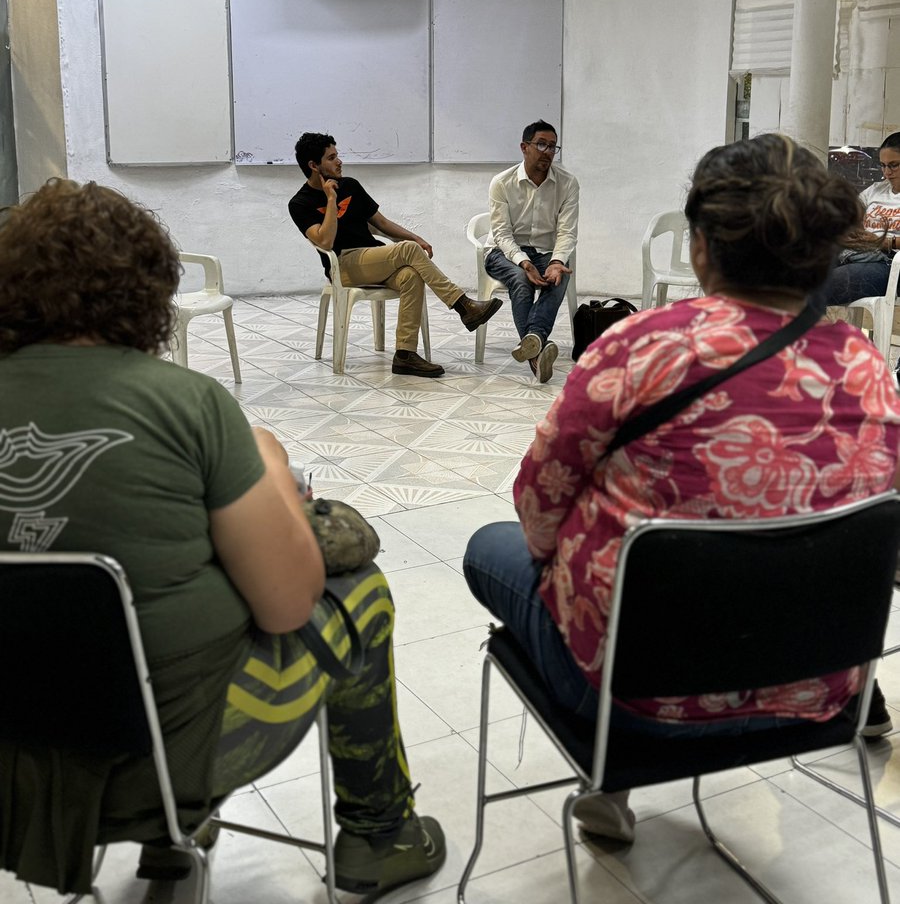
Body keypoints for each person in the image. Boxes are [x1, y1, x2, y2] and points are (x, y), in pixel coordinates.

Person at [0, 179, 445, 897]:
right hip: (166, 762)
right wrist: (266, 460)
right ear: (143, 288)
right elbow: (286, 607)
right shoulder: (187, 404)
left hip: (13, 772)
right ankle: (379, 834)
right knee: (358, 593)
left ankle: (170, 850)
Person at [464, 134, 900, 845]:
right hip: (817, 691)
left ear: (700, 246)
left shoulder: (642, 347)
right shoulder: (869, 369)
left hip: (637, 696)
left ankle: (615, 772)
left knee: (493, 546)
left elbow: (536, 508)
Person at [289, 132, 501, 378]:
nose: (339, 162)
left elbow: (381, 223)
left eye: (338, 156)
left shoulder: (351, 185)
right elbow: (325, 240)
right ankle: (464, 305)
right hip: (344, 265)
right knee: (408, 251)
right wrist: (331, 199)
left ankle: (405, 355)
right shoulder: (299, 203)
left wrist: (416, 238)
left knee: (411, 274)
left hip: (374, 257)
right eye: (331, 158)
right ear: (314, 166)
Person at [483, 120, 579, 383]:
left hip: (545, 250)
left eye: (552, 146)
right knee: (522, 281)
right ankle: (536, 352)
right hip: (502, 252)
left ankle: (533, 340)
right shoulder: (502, 183)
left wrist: (557, 261)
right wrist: (524, 263)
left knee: (561, 275)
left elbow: (567, 232)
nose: (547, 151)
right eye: (541, 144)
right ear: (524, 147)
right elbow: (502, 234)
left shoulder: (568, 184)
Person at [824, 131, 900, 306]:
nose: (887, 172)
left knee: (829, 284)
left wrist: (886, 242)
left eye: (894, 165)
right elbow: (850, 215)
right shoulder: (876, 190)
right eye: (883, 165)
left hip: (890, 264)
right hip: (860, 253)